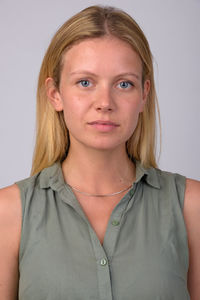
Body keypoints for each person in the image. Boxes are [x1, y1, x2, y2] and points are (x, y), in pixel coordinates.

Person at [0, 5, 199, 300]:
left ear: (143, 95)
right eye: (85, 82)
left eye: (123, 84)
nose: (105, 102)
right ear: (55, 94)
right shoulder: (9, 213)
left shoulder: (191, 207)